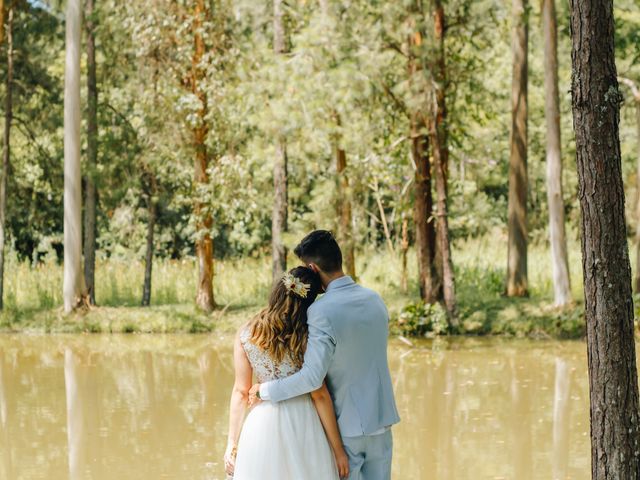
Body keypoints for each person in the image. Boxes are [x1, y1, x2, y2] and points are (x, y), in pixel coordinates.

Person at [249, 230, 400, 480]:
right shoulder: (375, 300)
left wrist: (264, 391)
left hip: (347, 428)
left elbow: (311, 378)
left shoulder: (321, 311)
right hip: (382, 420)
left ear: (312, 268)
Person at [224, 265, 349, 480]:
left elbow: (240, 392)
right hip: (304, 422)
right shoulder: (308, 336)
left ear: (278, 290)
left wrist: (232, 443)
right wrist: (338, 451)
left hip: (261, 424)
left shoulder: (247, 332)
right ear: (309, 301)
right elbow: (319, 394)